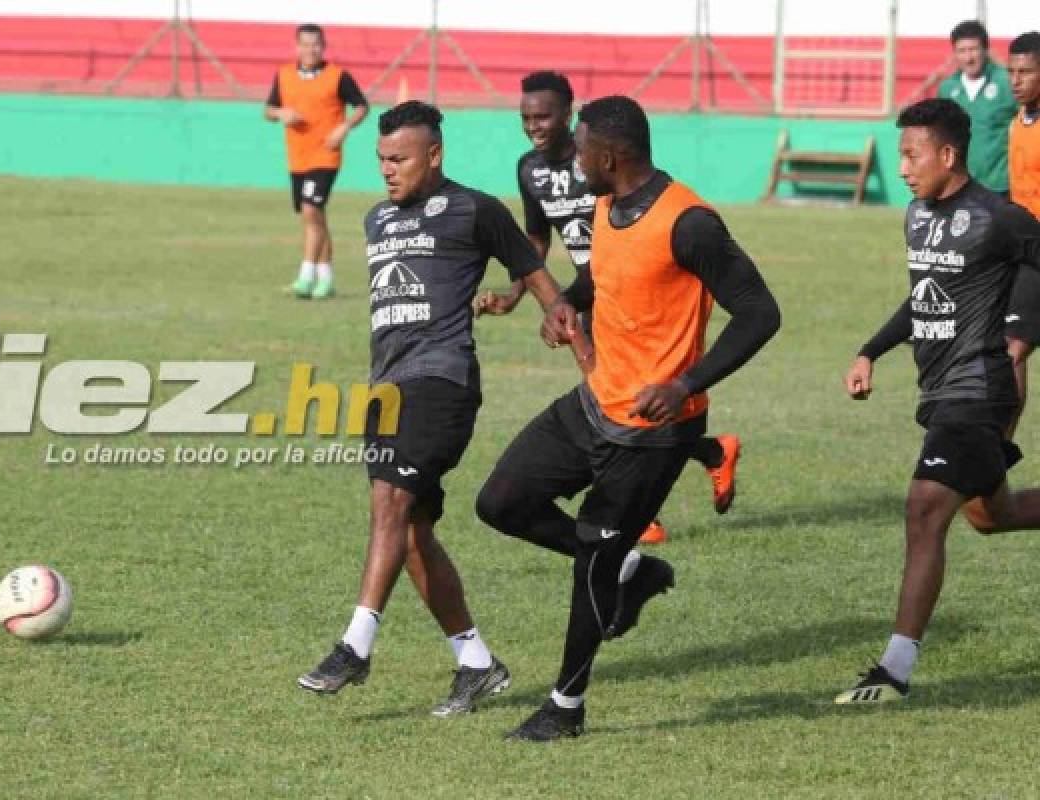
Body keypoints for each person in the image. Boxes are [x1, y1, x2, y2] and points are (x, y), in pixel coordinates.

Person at [474, 95, 780, 740]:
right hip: (594, 404)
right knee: (501, 502)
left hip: (656, 428)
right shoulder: (609, 204)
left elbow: (759, 312)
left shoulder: (689, 222)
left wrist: (685, 383)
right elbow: (599, 274)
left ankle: (565, 706)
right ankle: (632, 571)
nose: (574, 159)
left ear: (608, 156)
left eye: (582, 149)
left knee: (593, 561)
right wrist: (568, 305)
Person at [298, 101, 569, 717]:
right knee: (412, 533)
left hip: (442, 381)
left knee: (388, 502)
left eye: (400, 159)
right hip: (386, 389)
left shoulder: (474, 208)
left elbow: (537, 275)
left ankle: (356, 644)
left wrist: (573, 334)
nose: (387, 170)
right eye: (381, 160)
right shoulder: (375, 220)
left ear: (435, 155)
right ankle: (476, 662)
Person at [474, 70, 742, 545]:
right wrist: (522, 294)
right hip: (589, 291)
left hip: (632, 288)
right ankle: (701, 459)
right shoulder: (529, 170)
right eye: (526, 118)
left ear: (569, 114)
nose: (534, 126)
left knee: (621, 399)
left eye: (544, 116)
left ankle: (637, 510)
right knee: (607, 396)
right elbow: (536, 235)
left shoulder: (605, 161)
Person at [837, 98, 1040, 705]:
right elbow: (924, 296)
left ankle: (894, 671)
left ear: (947, 155)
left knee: (926, 509)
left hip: (979, 390)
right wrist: (871, 349)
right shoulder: (918, 216)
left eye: (910, 154)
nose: (901, 167)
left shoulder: (1001, 218)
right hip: (941, 392)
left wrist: (1021, 336)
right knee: (991, 515)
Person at [264, 23, 368, 299]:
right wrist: (280, 113)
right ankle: (326, 279)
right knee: (314, 218)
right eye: (306, 44)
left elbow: (362, 106)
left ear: (324, 47)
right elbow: (268, 109)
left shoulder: (337, 76)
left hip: (326, 154)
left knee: (311, 211)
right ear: (296, 47)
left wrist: (344, 128)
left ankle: (305, 277)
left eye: (316, 45)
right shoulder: (284, 75)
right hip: (298, 157)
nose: (311, 50)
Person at [998, 32, 1040, 441]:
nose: (1016, 79)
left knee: (1013, 348)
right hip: (1022, 249)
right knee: (1010, 348)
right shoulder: (1018, 123)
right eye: (1011, 71)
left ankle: (998, 452)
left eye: (1025, 71)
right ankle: (999, 450)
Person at [938, 20, 1016, 195]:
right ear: (955, 54)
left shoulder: (1007, 81)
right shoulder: (947, 88)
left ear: (986, 50)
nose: (968, 57)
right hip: (960, 186)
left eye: (973, 49)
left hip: (1000, 185)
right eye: (962, 51)